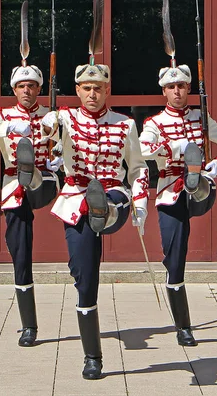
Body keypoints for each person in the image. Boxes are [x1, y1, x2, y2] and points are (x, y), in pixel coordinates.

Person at [41, 63, 149, 380]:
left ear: (107, 90)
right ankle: (93, 358)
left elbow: (138, 167)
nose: (92, 93)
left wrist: (141, 204)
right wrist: (49, 122)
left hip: (114, 192)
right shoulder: (65, 119)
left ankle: (110, 212)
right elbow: (50, 125)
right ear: (77, 91)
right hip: (76, 198)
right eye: (86, 88)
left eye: (98, 88)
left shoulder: (125, 124)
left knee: (112, 201)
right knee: (85, 279)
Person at [139, 63, 217, 347]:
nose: (177, 91)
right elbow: (144, 149)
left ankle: (184, 327)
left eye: (181, 86)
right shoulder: (154, 123)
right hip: (171, 190)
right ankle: (183, 324)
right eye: (171, 87)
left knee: (179, 255)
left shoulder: (200, 117)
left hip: (199, 188)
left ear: (188, 89)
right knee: (175, 257)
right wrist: (175, 147)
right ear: (164, 92)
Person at [0, 64, 61, 347]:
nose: (27, 90)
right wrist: (6, 127)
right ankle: (28, 325)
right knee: (20, 252)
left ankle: (34, 170)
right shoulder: (2, 115)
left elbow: (72, 144)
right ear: (14, 90)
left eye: (32, 86)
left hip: (46, 181)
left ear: (40, 89)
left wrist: (60, 155)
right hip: (13, 186)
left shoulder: (51, 115)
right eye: (22, 86)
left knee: (43, 183)